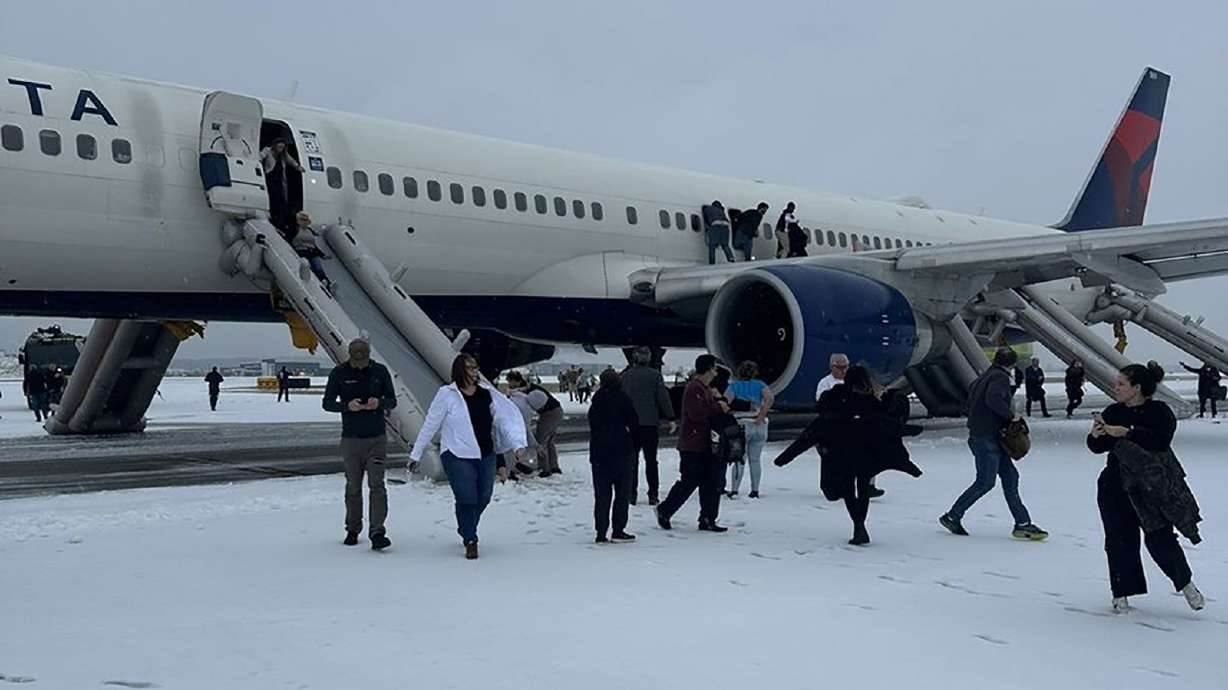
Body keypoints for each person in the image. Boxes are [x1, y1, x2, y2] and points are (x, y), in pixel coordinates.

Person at [1088, 362, 1206, 613]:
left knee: (1160, 538)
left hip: (1150, 487)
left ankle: (1185, 584)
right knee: (1118, 540)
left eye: (1121, 384)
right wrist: (1097, 435)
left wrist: (1129, 433)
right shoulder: (1113, 411)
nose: (1116, 388)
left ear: (1137, 388)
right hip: (1115, 484)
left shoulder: (1159, 411)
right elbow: (1097, 447)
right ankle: (1121, 595)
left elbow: (1161, 441)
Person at [774, 367, 923, 545]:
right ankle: (860, 525)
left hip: (842, 454)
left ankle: (858, 524)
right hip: (866, 453)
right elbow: (887, 424)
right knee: (863, 488)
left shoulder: (835, 399)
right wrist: (909, 432)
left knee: (848, 490)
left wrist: (786, 457)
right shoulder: (870, 401)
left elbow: (814, 430)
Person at [410, 354, 526, 559]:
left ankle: (466, 525)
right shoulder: (446, 394)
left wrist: (517, 445)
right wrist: (416, 453)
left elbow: (502, 424)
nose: (474, 372)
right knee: (467, 497)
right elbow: (430, 425)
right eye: (470, 368)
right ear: (459, 370)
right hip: (456, 454)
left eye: (475, 368)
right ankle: (470, 538)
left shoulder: (486, 394)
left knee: (483, 497)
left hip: (486, 454)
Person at [940, 347, 1048, 540]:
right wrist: (1011, 416)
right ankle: (952, 516)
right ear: (1012, 365)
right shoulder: (999, 378)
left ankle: (1022, 523)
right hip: (987, 438)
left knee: (1010, 478)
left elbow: (971, 403)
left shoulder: (982, 378)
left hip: (986, 436)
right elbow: (993, 399)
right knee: (985, 482)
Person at [322, 339, 397, 551]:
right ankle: (353, 528)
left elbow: (392, 400)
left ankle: (377, 531)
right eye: (356, 361)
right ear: (350, 356)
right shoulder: (339, 373)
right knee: (353, 486)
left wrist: (379, 403)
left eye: (363, 360)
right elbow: (327, 403)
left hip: (376, 437)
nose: (360, 365)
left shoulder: (380, 371)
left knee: (377, 485)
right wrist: (347, 406)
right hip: (351, 439)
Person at [656, 354, 731, 533]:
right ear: (707, 369)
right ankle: (665, 509)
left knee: (711, 483)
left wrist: (718, 400)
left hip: (706, 443)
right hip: (693, 444)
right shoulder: (694, 389)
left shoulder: (705, 389)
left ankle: (708, 517)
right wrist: (718, 407)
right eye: (714, 369)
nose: (715, 373)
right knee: (689, 481)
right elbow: (698, 414)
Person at [815, 353, 884, 498]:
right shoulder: (825, 383)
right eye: (839, 367)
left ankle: (868, 485)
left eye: (845, 367)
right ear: (831, 367)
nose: (843, 370)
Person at [588, 369, 640, 543]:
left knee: (602, 495)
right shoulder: (623, 398)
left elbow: (593, 423)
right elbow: (634, 421)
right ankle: (619, 529)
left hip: (600, 453)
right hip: (621, 451)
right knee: (622, 494)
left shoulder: (597, 400)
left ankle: (601, 531)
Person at [621, 346, 675, 505]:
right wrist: (671, 417)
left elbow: (621, 400)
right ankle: (653, 494)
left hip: (631, 425)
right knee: (651, 461)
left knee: (632, 460)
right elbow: (662, 398)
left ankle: (631, 494)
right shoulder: (655, 375)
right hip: (650, 424)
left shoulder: (625, 376)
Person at [726, 360, 774, 499]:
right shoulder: (760, 385)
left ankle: (735, 489)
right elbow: (769, 398)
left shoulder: (734, 386)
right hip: (759, 424)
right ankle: (755, 490)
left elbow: (727, 402)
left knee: (739, 459)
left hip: (742, 424)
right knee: (755, 460)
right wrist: (762, 414)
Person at [506, 370, 564, 478]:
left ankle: (545, 468)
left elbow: (526, 427)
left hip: (550, 413)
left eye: (511, 382)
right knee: (549, 441)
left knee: (541, 439)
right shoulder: (528, 388)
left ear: (517, 381)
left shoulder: (528, 391)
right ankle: (553, 466)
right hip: (556, 411)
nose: (509, 384)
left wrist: (536, 446)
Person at [260, 138, 304, 234]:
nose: (280, 149)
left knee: (281, 202)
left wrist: (297, 167)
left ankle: (278, 222)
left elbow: (290, 160)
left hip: (279, 181)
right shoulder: (268, 151)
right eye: (279, 147)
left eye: (282, 147)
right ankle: (273, 217)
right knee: (273, 198)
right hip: (270, 178)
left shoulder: (283, 156)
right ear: (275, 145)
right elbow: (261, 156)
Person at [290, 212, 334, 293]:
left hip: (312, 252)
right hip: (301, 252)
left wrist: (322, 255)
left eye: (306, 220)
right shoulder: (295, 230)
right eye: (302, 220)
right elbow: (289, 239)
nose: (304, 222)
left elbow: (314, 245)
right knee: (308, 268)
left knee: (318, 268)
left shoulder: (309, 231)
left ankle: (326, 283)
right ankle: (316, 285)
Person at [702, 200, 734, 265]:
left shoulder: (708, 209)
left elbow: (706, 218)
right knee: (725, 245)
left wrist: (708, 227)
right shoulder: (721, 211)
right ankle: (731, 258)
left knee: (712, 245)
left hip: (715, 225)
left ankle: (712, 261)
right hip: (725, 226)